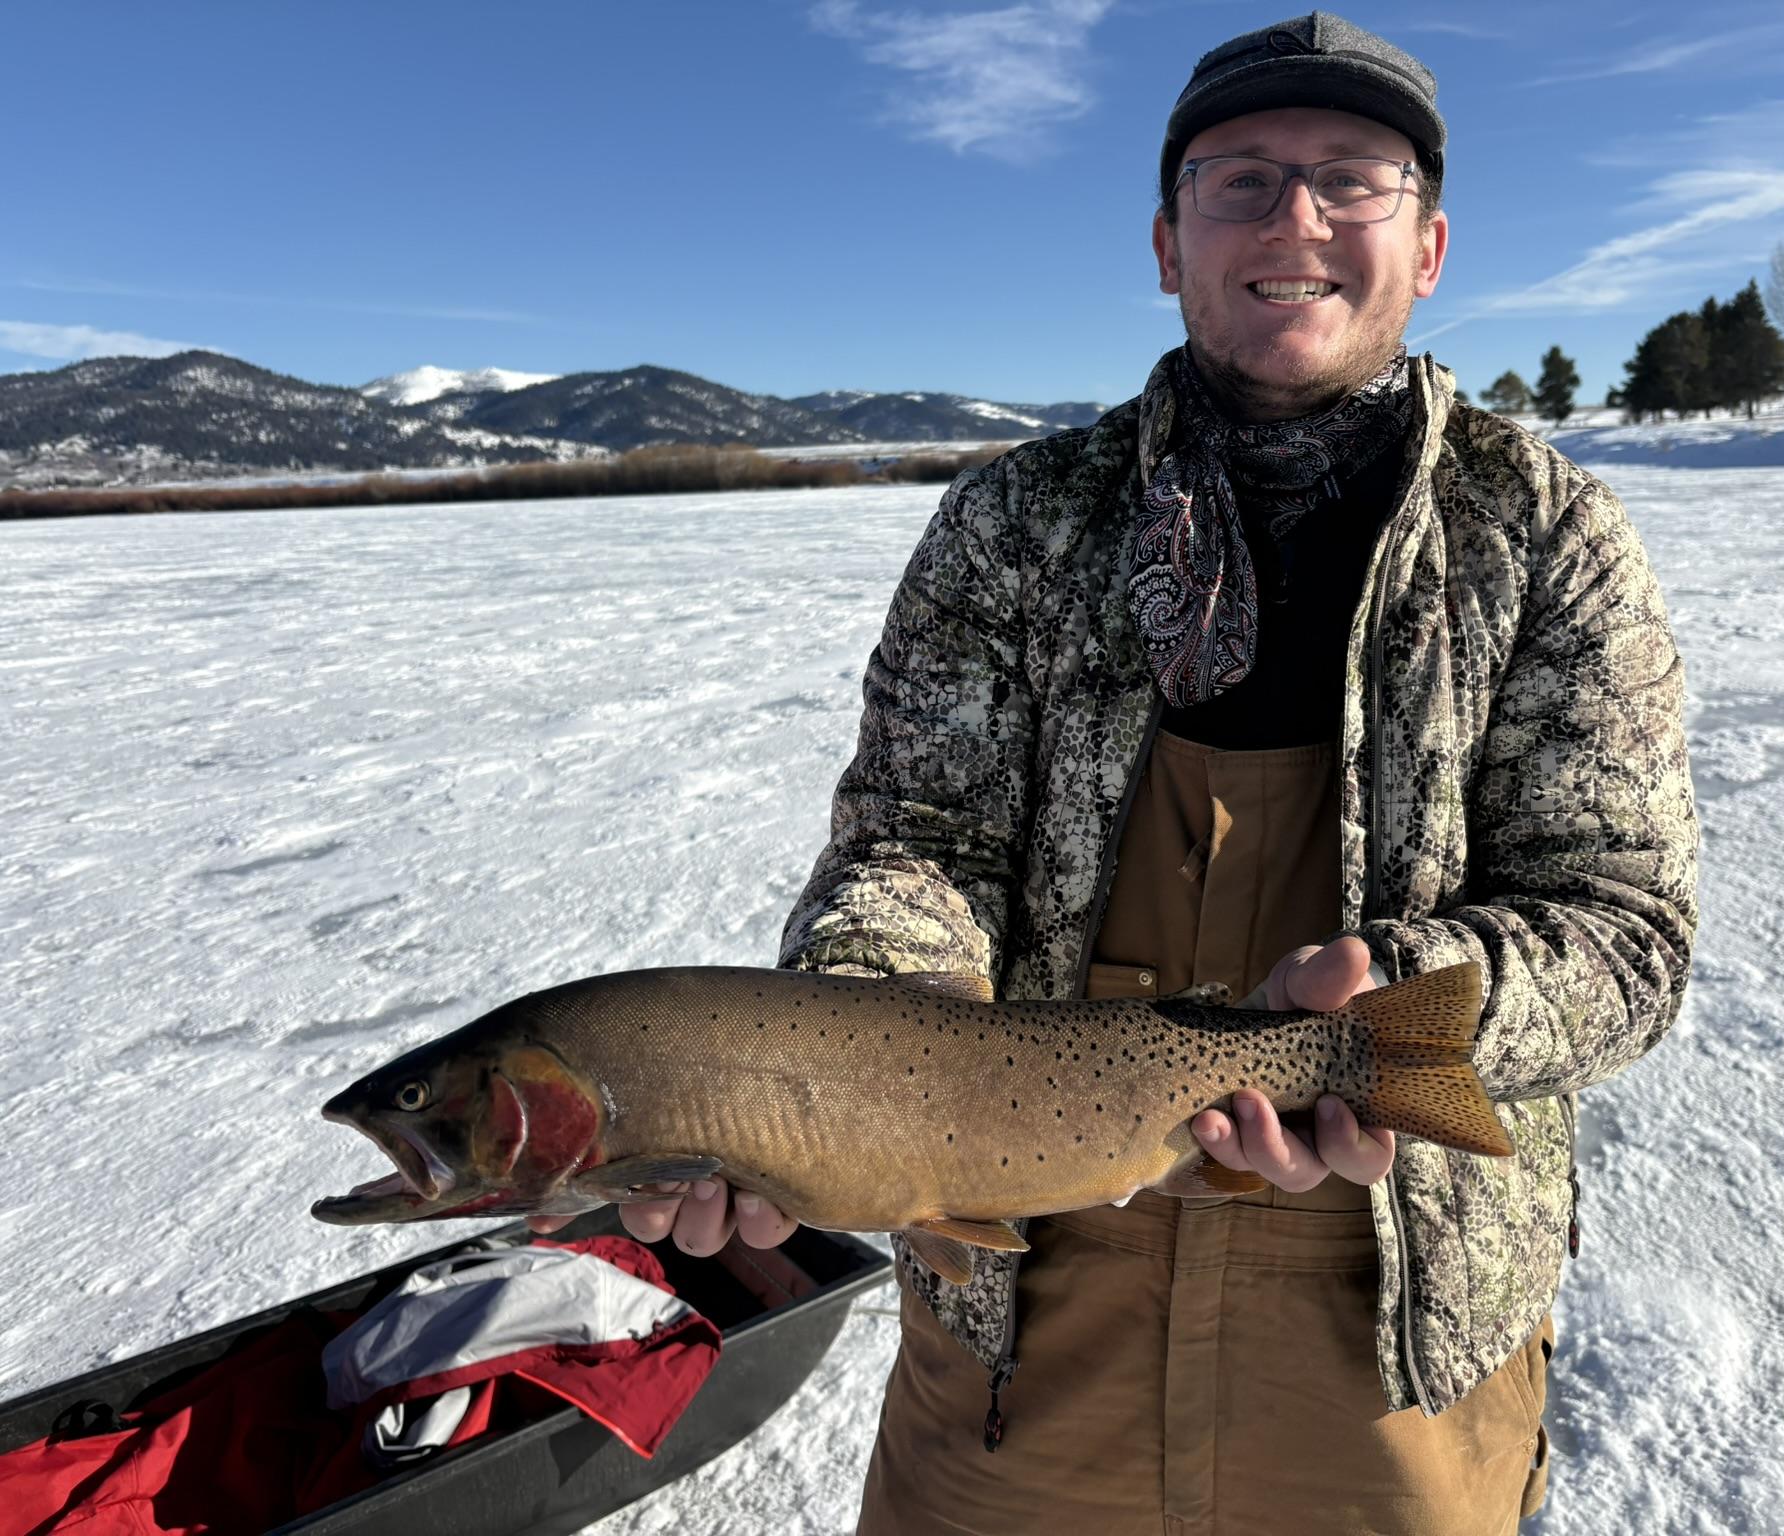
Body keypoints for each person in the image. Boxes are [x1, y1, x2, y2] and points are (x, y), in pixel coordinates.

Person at [539, 11, 1699, 1533]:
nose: (1296, 220)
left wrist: (1396, 1014)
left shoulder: (1540, 536)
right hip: (1021, 1308)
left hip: (1389, 1341)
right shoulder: (1015, 526)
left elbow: (1620, 924)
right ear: (1168, 241)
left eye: (1352, 179)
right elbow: (915, 843)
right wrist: (843, 1084)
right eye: (1241, 182)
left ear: (1427, 247)